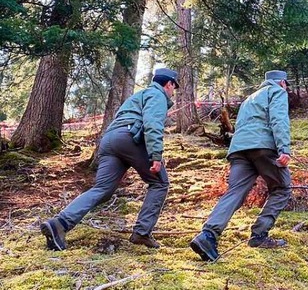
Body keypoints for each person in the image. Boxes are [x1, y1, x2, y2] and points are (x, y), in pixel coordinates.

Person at [40, 68, 179, 251]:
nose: (173, 92)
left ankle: (60, 224)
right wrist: (156, 155)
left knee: (102, 189)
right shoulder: (157, 95)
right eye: (174, 88)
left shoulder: (139, 96)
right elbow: (152, 124)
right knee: (160, 183)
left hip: (109, 140)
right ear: (168, 84)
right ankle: (142, 232)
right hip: (130, 138)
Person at [190, 70, 292, 261]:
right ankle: (259, 235)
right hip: (263, 147)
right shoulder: (277, 92)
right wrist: (284, 148)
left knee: (235, 192)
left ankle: (208, 236)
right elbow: (279, 119)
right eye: (286, 85)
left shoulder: (249, 99)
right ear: (282, 83)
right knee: (282, 188)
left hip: (239, 149)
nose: (286, 88)